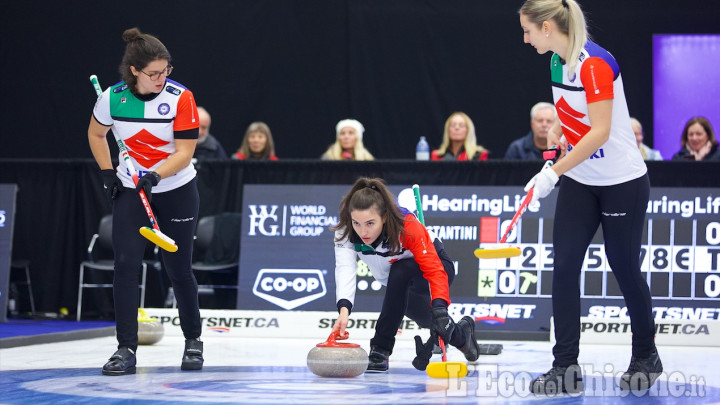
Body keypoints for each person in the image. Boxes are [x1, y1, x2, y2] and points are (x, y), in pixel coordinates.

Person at [519, 0, 660, 393]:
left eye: (528, 30)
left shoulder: (596, 63)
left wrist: (552, 172)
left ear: (548, 27)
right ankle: (565, 367)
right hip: (582, 181)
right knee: (563, 267)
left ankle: (646, 354)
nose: (525, 38)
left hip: (622, 183)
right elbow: (572, 111)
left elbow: (599, 130)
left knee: (624, 267)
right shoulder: (554, 62)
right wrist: (559, 129)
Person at [87, 27, 204, 376]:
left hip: (176, 190)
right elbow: (96, 133)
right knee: (125, 266)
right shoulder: (112, 98)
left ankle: (193, 342)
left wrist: (155, 176)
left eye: (165, 70)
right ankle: (125, 349)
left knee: (178, 268)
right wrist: (108, 171)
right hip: (131, 191)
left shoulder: (181, 98)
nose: (160, 78)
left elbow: (184, 153)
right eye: (153, 72)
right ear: (134, 71)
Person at [331, 177, 480, 372]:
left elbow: (434, 269)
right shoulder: (345, 232)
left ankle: (380, 349)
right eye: (357, 223)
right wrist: (344, 310)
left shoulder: (406, 227)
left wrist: (440, 307)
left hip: (435, 267)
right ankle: (463, 336)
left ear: (384, 217)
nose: (363, 231)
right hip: (397, 283)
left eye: (370, 223)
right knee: (429, 320)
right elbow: (345, 268)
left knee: (401, 271)